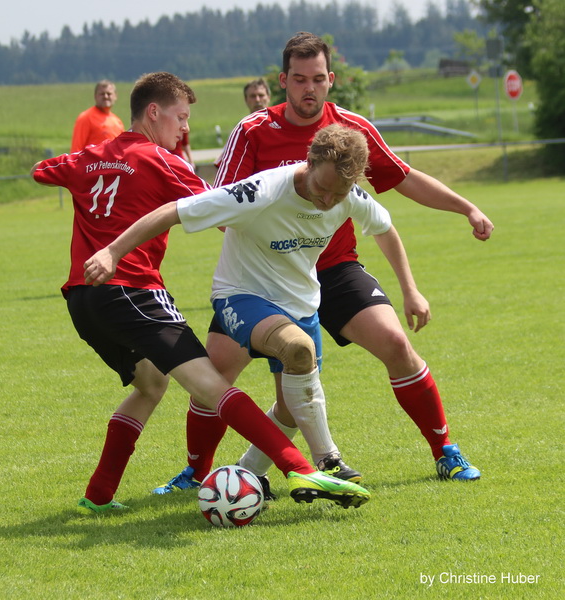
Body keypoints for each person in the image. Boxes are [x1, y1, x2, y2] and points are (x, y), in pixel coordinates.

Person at [156, 32, 492, 497]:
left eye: (317, 79)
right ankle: (197, 473)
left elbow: (403, 178)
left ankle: (445, 451)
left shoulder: (350, 131)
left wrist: (466, 208)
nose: (308, 88)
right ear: (283, 81)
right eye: (299, 79)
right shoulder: (253, 130)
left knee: (397, 343)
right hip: (262, 278)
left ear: (330, 79)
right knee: (214, 376)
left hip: (333, 268)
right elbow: (221, 205)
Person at [31, 71, 369, 514]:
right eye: (181, 117)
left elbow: (41, 172)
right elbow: (219, 207)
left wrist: (97, 162)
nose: (185, 127)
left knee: (150, 384)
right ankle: (300, 468)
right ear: (154, 112)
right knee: (212, 385)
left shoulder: (91, 156)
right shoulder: (163, 160)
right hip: (131, 289)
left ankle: (97, 497)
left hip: (81, 298)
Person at [70, 80, 125, 153]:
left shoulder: (118, 122)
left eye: (109, 94)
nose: (105, 97)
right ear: (95, 96)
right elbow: (76, 150)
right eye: (102, 94)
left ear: (115, 96)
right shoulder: (86, 117)